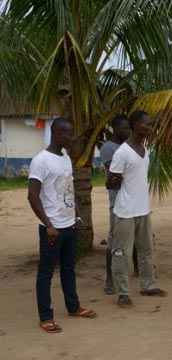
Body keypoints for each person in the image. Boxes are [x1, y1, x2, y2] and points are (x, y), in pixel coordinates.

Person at [27, 118, 97, 333]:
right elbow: (32, 196)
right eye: (66, 133)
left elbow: (68, 186)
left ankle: (73, 307)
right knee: (46, 273)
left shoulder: (65, 157)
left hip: (69, 225)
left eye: (71, 133)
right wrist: (48, 224)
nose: (70, 137)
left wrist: (75, 211)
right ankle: (46, 317)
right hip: (52, 228)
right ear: (55, 133)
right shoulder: (41, 160)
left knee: (69, 269)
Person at [108, 110, 167, 307]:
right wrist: (113, 180)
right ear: (134, 125)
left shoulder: (145, 148)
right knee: (121, 253)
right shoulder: (122, 152)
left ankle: (148, 285)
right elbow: (111, 182)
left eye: (150, 124)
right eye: (145, 124)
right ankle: (123, 293)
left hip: (143, 209)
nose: (149, 128)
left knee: (146, 250)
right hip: (125, 211)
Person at [100, 115, 132, 295]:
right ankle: (109, 279)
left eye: (129, 128)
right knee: (114, 242)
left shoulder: (126, 147)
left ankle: (133, 272)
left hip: (133, 200)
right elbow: (115, 176)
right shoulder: (108, 148)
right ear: (115, 128)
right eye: (124, 128)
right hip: (117, 201)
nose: (127, 132)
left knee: (134, 240)